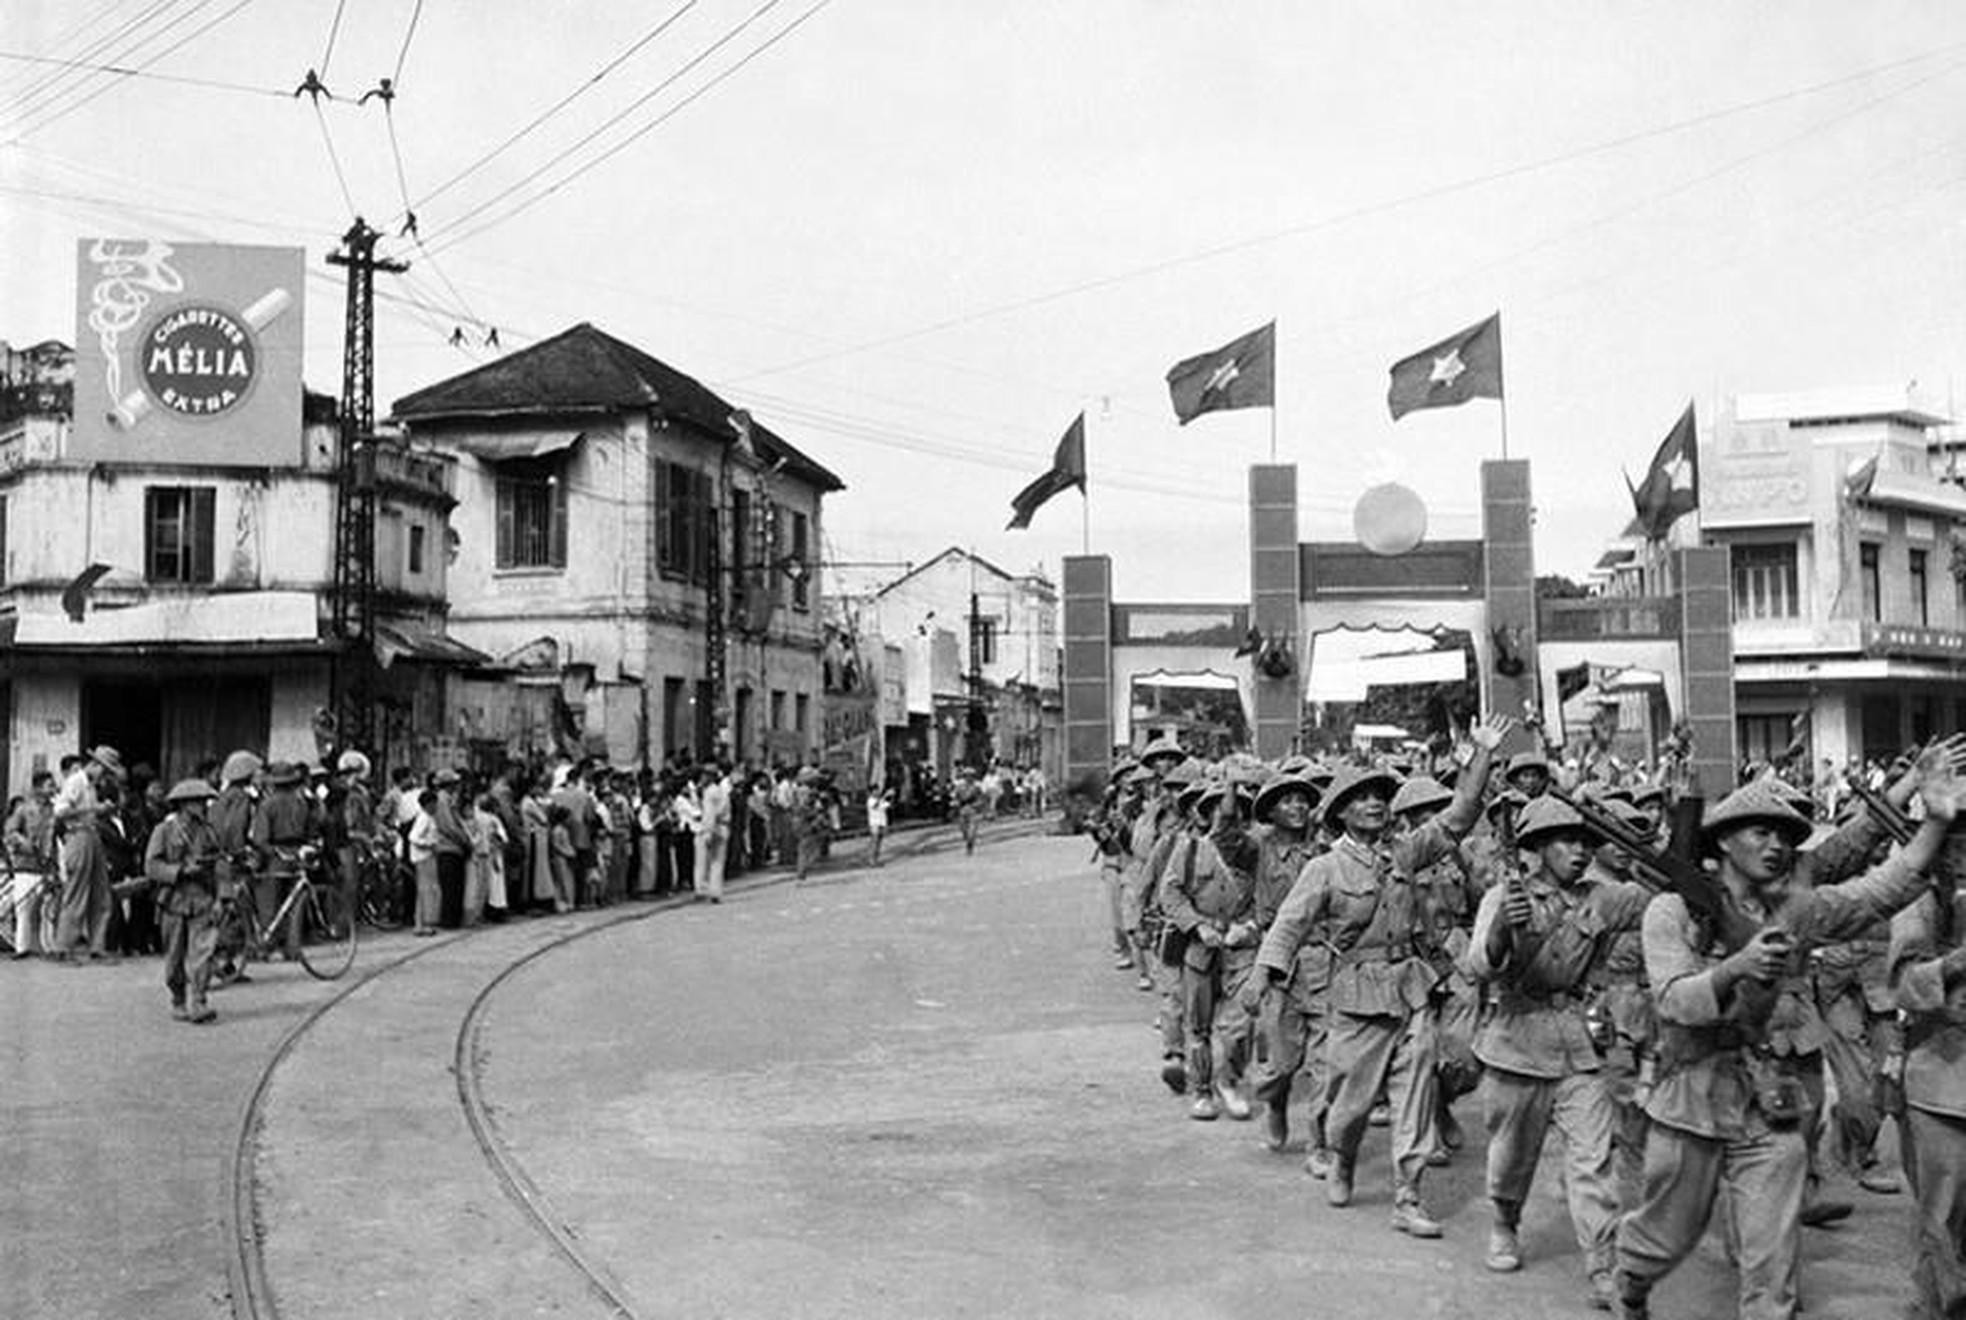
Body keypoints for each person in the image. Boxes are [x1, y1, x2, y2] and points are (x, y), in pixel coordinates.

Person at [1612, 770, 1966, 1320]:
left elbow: (1878, 891)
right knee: (1665, 1236)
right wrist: (1736, 967)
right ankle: (1631, 1282)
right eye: (1761, 832)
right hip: (1690, 1097)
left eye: (1784, 835)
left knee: (1772, 1261)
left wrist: (1936, 823)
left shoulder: (1795, 910)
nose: (1776, 845)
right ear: (1723, 841)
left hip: (1768, 1100)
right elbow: (1676, 1000)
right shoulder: (1674, 910)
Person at [1255, 716, 1507, 1238]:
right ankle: (1342, 1157)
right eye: (1361, 797)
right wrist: (1265, 976)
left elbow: (1458, 817)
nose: (1374, 803)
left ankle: (1408, 1196)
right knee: (1349, 1105)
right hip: (1355, 997)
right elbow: (1289, 924)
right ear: (1341, 812)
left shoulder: (1406, 852)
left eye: (1379, 796)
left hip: (1410, 988)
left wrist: (1482, 754)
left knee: (1414, 1088)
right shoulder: (1325, 868)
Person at [1466, 795, 1649, 1308]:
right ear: (1540, 847)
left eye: (1587, 842)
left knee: (1594, 1158)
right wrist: (1503, 925)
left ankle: (1603, 1264)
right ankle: (1505, 1223)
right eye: (1568, 841)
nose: (1580, 851)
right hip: (1516, 1040)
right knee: (1511, 1157)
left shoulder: (1602, 898)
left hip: (1578, 1043)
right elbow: (1480, 965)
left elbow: (1660, 900)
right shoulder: (1504, 895)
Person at [1220, 766, 1326, 1154]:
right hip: (1279, 960)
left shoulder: (1323, 848)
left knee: (1327, 1062)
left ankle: (1321, 1144)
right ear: (1271, 811)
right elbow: (1226, 837)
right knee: (1281, 1062)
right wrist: (1231, 787)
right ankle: (1277, 1104)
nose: (1297, 807)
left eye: (1302, 801)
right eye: (1287, 801)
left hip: (1321, 955)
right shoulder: (1258, 847)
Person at [1887, 830, 1966, 1320]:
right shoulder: (1923, 897)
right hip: (1944, 1076)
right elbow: (1902, 984)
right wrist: (1957, 961)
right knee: (1942, 1215)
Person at [146, 779, 223, 1023]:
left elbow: (221, 865)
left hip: (203, 898)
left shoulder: (208, 832)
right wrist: (179, 871)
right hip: (174, 901)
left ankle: (199, 1000)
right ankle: (178, 999)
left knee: (203, 952)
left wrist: (223, 898)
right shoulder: (164, 831)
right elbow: (151, 866)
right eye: (198, 802)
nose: (202, 806)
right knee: (174, 957)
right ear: (183, 804)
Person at [52, 744, 123, 961]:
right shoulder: (76, 781)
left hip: (91, 833)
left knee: (101, 893)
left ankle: (97, 946)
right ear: (95, 765)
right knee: (76, 892)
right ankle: (64, 947)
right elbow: (60, 810)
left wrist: (100, 809)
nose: (105, 776)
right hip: (78, 835)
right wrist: (93, 809)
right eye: (104, 771)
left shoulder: (91, 786)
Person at [6, 770, 57, 958]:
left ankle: (49, 947)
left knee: (48, 909)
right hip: (25, 865)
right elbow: (10, 832)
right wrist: (24, 842)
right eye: (49, 785)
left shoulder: (55, 810)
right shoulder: (23, 810)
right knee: (23, 910)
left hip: (47, 866)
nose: (53, 789)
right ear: (38, 788)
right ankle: (22, 948)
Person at [406, 789, 442, 935]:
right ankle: (426, 923)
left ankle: (420, 923)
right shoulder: (424, 818)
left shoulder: (429, 818)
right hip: (424, 857)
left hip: (427, 857)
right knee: (427, 890)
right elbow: (413, 837)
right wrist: (428, 844)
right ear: (429, 804)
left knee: (424, 891)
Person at [696, 763, 731, 903]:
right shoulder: (722, 791)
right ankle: (715, 891)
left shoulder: (709, 792)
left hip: (712, 827)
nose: (701, 778)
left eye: (704, 775)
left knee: (703, 862)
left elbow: (710, 814)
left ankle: (701, 889)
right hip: (723, 827)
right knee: (718, 862)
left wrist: (708, 832)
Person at [865, 782, 892, 867]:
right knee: (875, 842)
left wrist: (890, 796)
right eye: (875, 790)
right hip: (874, 824)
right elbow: (875, 806)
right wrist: (885, 795)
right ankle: (871, 860)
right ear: (871, 792)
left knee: (879, 843)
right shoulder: (870, 800)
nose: (877, 792)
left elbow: (888, 806)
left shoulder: (880, 799)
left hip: (882, 823)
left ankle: (875, 859)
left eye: (877, 790)